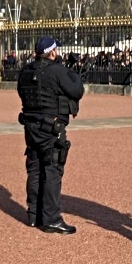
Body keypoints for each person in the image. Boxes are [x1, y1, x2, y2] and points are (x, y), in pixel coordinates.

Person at [17, 36, 84, 234]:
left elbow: (22, 92)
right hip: (51, 127)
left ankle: (34, 215)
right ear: (53, 52)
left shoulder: (25, 71)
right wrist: (69, 71)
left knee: (35, 169)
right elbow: (77, 90)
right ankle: (51, 218)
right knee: (53, 170)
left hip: (30, 125)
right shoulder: (57, 70)